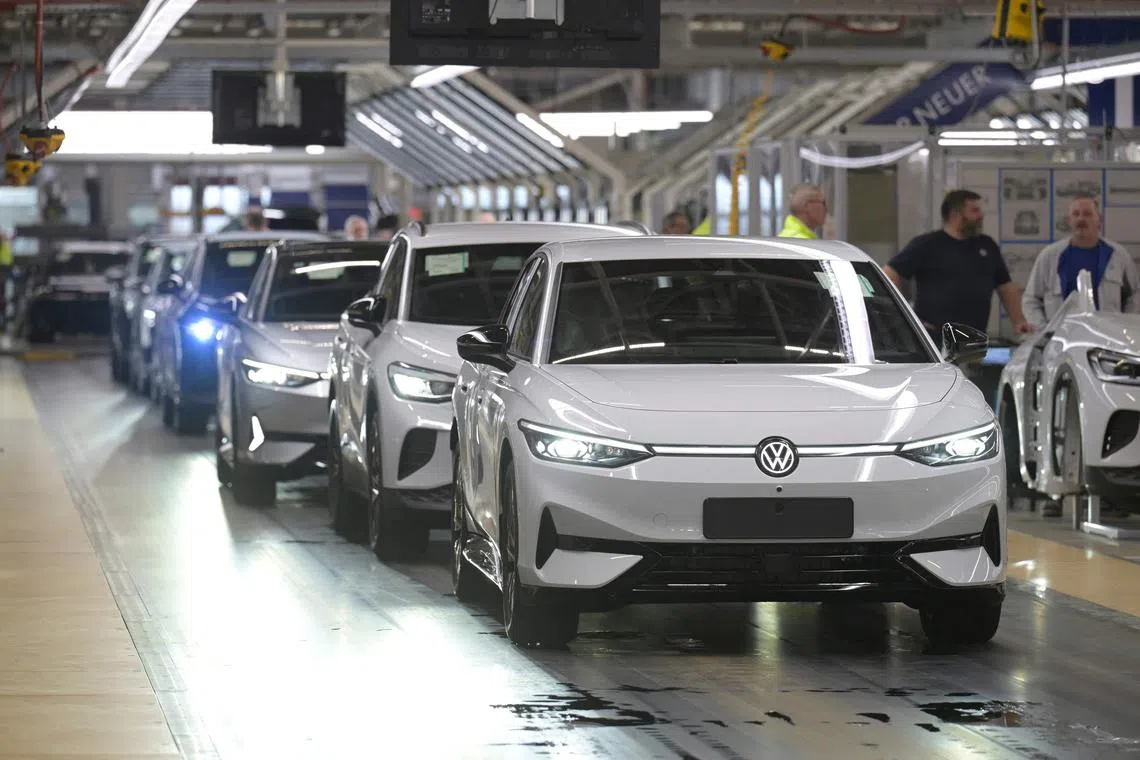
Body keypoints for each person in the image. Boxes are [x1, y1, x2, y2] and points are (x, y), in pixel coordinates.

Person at [884, 189, 1031, 339]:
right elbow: (890, 273)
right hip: (934, 339)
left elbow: (1005, 287)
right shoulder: (927, 244)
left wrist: (1019, 322)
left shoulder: (987, 245)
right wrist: (904, 316)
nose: (981, 216)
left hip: (974, 340)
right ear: (955, 215)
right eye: (975, 210)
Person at [1022, 195, 1139, 328]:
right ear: (1069, 220)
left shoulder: (1117, 255)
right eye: (1076, 214)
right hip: (1061, 341)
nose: (1081, 219)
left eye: (1087, 214)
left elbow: (1135, 294)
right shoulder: (1050, 256)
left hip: (1107, 340)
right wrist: (1043, 330)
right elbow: (1031, 299)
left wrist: (1124, 326)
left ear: (1099, 219)